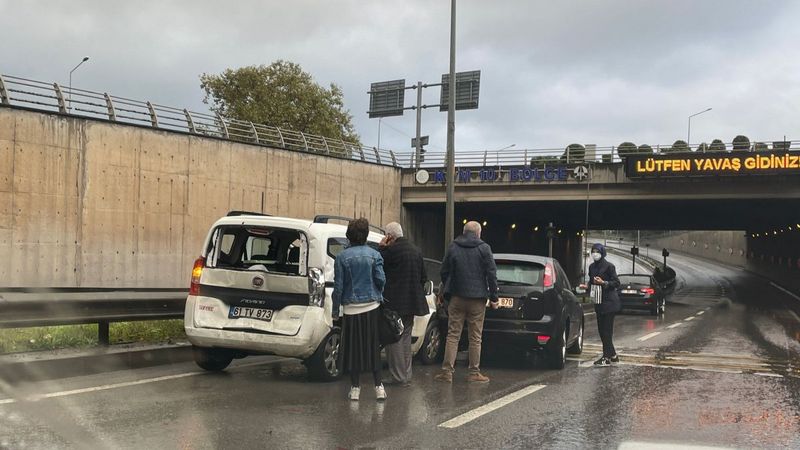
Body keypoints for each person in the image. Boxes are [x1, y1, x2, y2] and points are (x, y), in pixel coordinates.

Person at [434, 221, 498, 383]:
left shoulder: (453, 247)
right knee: (475, 337)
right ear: (478, 233)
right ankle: (474, 373)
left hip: (457, 297)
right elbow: (491, 274)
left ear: (464, 232)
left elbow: (444, 271)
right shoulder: (484, 248)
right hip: (477, 299)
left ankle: (447, 372)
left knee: (453, 335)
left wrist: (449, 287)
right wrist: (494, 298)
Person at [332, 218, 387, 401]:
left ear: (349, 235)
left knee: (353, 349)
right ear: (366, 235)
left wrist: (335, 311)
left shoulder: (341, 257)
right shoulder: (375, 255)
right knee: (373, 347)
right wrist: (378, 293)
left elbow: (338, 287)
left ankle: (355, 388)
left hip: (350, 308)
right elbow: (381, 279)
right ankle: (379, 387)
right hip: (372, 307)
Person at [379, 222, 428, 387]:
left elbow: (379, 266)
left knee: (393, 338)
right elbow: (423, 277)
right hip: (412, 302)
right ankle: (406, 374)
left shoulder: (390, 251)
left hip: (394, 303)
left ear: (389, 236)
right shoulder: (416, 250)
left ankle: (397, 376)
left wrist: (381, 247)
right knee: (406, 337)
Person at [587, 243, 621, 367]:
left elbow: (616, 282)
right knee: (602, 331)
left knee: (606, 331)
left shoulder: (609, 266)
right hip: (598, 302)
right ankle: (613, 356)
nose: (595, 254)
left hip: (609, 303)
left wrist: (604, 282)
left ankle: (606, 357)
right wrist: (587, 286)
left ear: (602, 253)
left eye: (597, 251)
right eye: (593, 251)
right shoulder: (591, 267)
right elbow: (591, 282)